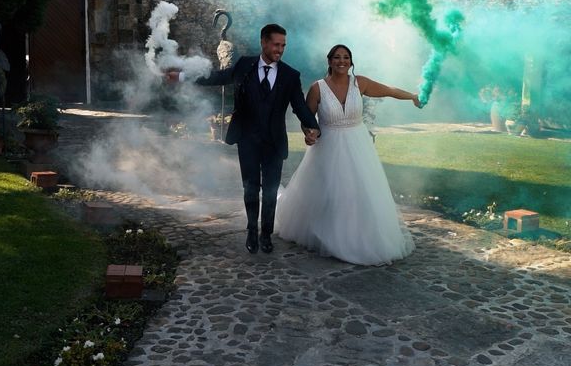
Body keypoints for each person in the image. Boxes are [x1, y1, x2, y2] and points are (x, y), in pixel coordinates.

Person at [166, 24, 320, 254]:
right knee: (250, 189)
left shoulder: (290, 75)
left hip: (274, 143)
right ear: (264, 43)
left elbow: (299, 106)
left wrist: (313, 127)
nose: (280, 49)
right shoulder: (244, 65)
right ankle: (251, 229)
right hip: (247, 140)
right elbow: (217, 77)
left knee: (270, 191)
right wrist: (182, 76)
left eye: (283, 45)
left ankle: (266, 233)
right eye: (276, 44)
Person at [275, 44, 419, 265]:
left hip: (358, 146)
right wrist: (309, 134)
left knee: (361, 191)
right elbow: (307, 119)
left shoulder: (360, 83)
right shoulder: (317, 88)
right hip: (327, 148)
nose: (341, 61)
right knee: (332, 193)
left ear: (351, 62)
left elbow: (389, 90)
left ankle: (360, 237)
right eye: (337, 57)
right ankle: (331, 236)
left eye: (346, 57)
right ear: (329, 61)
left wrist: (412, 96)